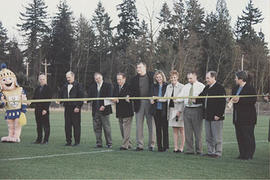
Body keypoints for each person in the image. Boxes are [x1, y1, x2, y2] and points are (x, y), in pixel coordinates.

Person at [197, 71, 226, 158]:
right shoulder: (207, 88)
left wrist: (218, 114)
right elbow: (201, 97)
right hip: (207, 115)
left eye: (208, 78)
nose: (206, 80)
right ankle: (210, 151)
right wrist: (194, 99)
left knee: (217, 136)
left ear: (213, 78)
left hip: (216, 117)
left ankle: (218, 152)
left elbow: (222, 103)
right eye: (206, 78)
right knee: (208, 136)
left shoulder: (220, 88)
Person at [130, 62, 155, 151]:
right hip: (138, 103)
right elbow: (131, 90)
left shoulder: (151, 76)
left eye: (140, 67)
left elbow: (155, 87)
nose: (138, 69)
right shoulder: (134, 79)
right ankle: (140, 145)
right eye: (137, 68)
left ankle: (151, 144)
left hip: (150, 103)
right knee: (139, 125)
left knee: (151, 125)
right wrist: (129, 95)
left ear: (145, 67)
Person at [177, 72, 205, 155]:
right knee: (188, 131)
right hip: (187, 109)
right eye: (188, 78)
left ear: (195, 77)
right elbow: (180, 97)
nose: (189, 80)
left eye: (191, 78)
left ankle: (199, 150)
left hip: (197, 109)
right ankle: (189, 150)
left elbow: (203, 98)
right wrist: (175, 99)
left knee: (198, 132)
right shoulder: (186, 87)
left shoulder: (201, 86)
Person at [231, 71, 257, 160]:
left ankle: (249, 155)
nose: (235, 79)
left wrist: (240, 99)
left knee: (248, 136)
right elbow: (232, 98)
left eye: (236, 77)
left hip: (248, 118)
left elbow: (253, 100)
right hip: (237, 117)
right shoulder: (235, 88)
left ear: (241, 79)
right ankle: (242, 154)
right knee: (240, 136)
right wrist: (231, 100)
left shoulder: (250, 88)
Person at [159, 70, 185, 153]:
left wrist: (180, 111)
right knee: (174, 129)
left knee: (181, 129)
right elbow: (165, 98)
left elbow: (183, 100)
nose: (173, 79)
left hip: (179, 111)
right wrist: (156, 99)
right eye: (171, 77)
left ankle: (181, 148)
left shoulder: (182, 86)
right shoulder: (168, 87)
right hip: (171, 110)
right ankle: (175, 147)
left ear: (177, 77)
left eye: (174, 77)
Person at [88, 72, 113, 148]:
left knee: (106, 128)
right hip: (95, 111)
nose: (97, 80)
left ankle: (109, 143)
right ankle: (99, 143)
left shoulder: (108, 86)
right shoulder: (92, 87)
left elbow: (110, 97)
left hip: (105, 110)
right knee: (96, 128)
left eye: (99, 78)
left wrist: (104, 106)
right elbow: (89, 97)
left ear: (101, 78)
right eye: (96, 79)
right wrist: (85, 100)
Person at [59, 71, 84, 146]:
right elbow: (61, 94)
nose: (68, 79)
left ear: (73, 77)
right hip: (67, 108)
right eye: (67, 77)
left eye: (69, 77)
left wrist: (78, 107)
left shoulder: (79, 85)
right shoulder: (64, 85)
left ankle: (77, 142)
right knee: (67, 125)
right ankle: (68, 141)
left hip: (75, 108)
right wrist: (59, 101)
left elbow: (81, 97)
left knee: (76, 125)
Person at [112, 73, 134, 150]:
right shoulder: (115, 87)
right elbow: (113, 96)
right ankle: (129, 143)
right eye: (117, 79)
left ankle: (125, 145)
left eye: (120, 79)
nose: (118, 81)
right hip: (119, 111)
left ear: (124, 79)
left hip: (127, 111)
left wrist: (128, 97)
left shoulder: (129, 86)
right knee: (122, 129)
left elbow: (132, 95)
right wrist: (114, 99)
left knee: (126, 129)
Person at [150, 70, 168, 152]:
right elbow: (151, 96)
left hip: (164, 110)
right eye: (157, 77)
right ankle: (159, 146)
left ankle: (165, 146)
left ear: (163, 77)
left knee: (165, 128)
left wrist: (157, 98)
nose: (158, 79)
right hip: (156, 110)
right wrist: (151, 99)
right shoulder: (154, 86)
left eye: (160, 77)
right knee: (158, 129)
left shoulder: (167, 86)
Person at [32, 74, 52, 144]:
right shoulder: (37, 88)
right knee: (38, 125)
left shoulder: (48, 88)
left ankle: (46, 140)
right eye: (40, 79)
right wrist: (29, 103)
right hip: (37, 110)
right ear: (38, 80)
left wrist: (45, 109)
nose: (42, 81)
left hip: (44, 110)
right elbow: (34, 98)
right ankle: (39, 139)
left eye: (43, 79)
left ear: (46, 80)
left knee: (46, 126)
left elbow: (49, 99)